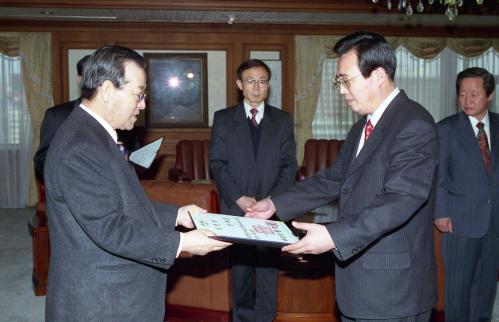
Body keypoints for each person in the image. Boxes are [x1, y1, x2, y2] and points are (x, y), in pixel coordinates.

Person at [247, 31, 438, 321]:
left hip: (392, 292)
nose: (342, 90)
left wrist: (334, 235)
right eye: (340, 82)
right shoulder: (362, 126)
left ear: (378, 75)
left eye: (346, 81)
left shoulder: (414, 124)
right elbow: (335, 179)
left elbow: (401, 200)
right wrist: (275, 204)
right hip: (358, 286)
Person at [43, 46, 230, 322]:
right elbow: (110, 228)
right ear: (108, 90)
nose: (143, 105)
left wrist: (177, 214)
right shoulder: (80, 146)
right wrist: (181, 242)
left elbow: (121, 203)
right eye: (139, 94)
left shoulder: (94, 134)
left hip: (114, 295)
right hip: (102, 303)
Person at [209, 59, 297, 322]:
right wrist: (238, 197)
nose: (257, 88)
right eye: (250, 81)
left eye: (262, 81)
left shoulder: (282, 120)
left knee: (269, 269)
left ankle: (266, 318)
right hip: (237, 207)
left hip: (272, 207)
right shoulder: (224, 119)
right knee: (241, 270)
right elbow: (217, 163)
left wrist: (272, 199)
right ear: (239, 85)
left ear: (268, 85)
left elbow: (289, 164)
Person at [434, 67, 499, 322]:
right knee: (457, 292)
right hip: (458, 222)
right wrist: (440, 213)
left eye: (474, 94)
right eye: (463, 94)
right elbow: (438, 176)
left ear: (490, 95)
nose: (468, 100)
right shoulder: (446, 129)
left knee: (485, 291)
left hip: (494, 222)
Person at [33, 55, 90, 182]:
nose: (95, 83)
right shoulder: (57, 116)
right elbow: (40, 164)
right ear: (79, 79)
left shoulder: (117, 118)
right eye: (90, 77)